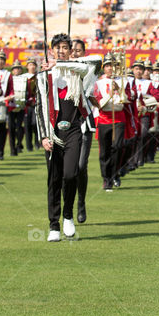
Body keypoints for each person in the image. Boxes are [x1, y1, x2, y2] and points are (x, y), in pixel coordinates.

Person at [33, 33, 93, 242]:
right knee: (54, 179)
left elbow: (87, 67)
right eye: (57, 47)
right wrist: (43, 137)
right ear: (51, 50)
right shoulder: (43, 76)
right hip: (52, 132)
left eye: (65, 47)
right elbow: (39, 107)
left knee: (71, 174)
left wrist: (59, 64)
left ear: (69, 50)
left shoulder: (76, 70)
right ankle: (54, 225)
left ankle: (68, 215)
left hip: (74, 130)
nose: (61, 50)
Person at [71, 40, 98, 223]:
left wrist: (77, 60)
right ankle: (68, 207)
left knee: (81, 166)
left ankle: (81, 203)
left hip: (84, 122)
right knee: (69, 170)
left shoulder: (88, 67)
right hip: (67, 121)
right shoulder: (62, 68)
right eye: (72, 50)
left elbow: (97, 59)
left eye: (78, 50)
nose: (75, 53)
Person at [92, 54, 125, 192]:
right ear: (104, 68)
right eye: (108, 66)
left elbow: (126, 101)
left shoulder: (122, 81)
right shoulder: (98, 83)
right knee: (104, 151)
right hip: (105, 118)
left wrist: (120, 90)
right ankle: (106, 179)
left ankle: (115, 173)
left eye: (113, 65)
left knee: (117, 147)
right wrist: (110, 94)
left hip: (118, 118)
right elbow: (98, 104)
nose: (110, 68)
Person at [6, 62, 30, 157]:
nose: (17, 70)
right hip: (11, 107)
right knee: (11, 128)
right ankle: (12, 149)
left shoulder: (25, 80)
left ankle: (19, 143)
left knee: (19, 127)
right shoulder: (9, 79)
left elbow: (28, 92)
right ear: (12, 70)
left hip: (21, 107)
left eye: (18, 68)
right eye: (15, 68)